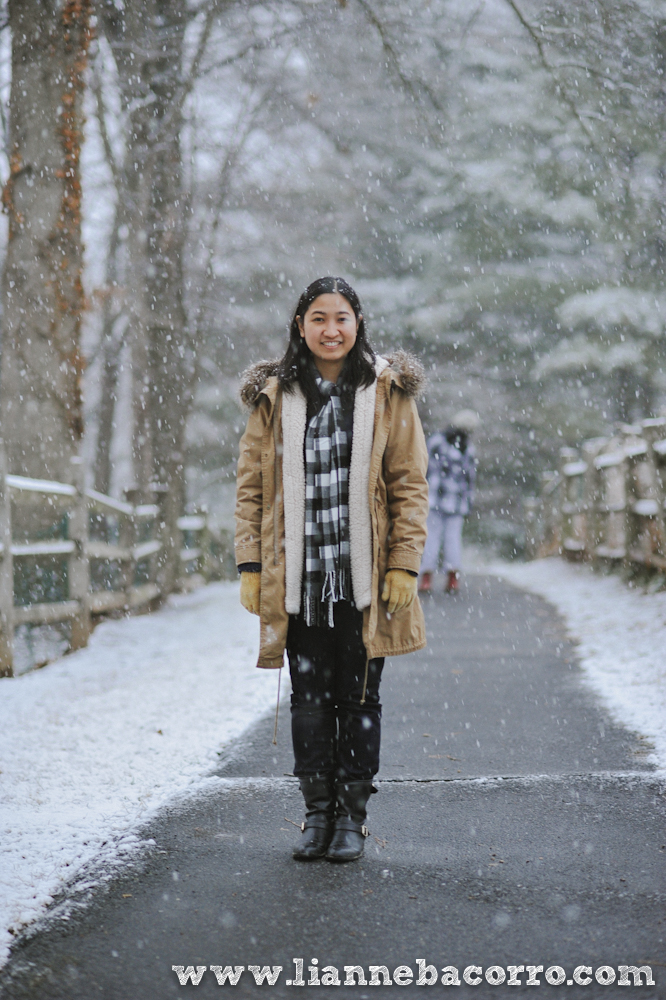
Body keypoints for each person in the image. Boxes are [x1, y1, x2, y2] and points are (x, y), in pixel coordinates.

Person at [235, 276, 428, 863]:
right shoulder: (275, 397)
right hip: (299, 579)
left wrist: (404, 564)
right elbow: (250, 487)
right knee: (309, 700)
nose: (330, 329)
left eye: (341, 317)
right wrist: (249, 563)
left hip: (364, 579)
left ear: (357, 323)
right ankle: (316, 815)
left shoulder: (386, 393)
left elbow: (409, 485)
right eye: (318, 318)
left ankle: (352, 818)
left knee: (360, 700)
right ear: (301, 326)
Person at [418, 410, 478, 594]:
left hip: (434, 497)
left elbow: (424, 467)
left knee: (431, 537)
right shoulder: (468, 449)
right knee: (452, 539)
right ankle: (452, 579)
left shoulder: (437, 442)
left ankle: (427, 577)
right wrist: (468, 501)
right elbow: (470, 479)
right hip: (456, 501)